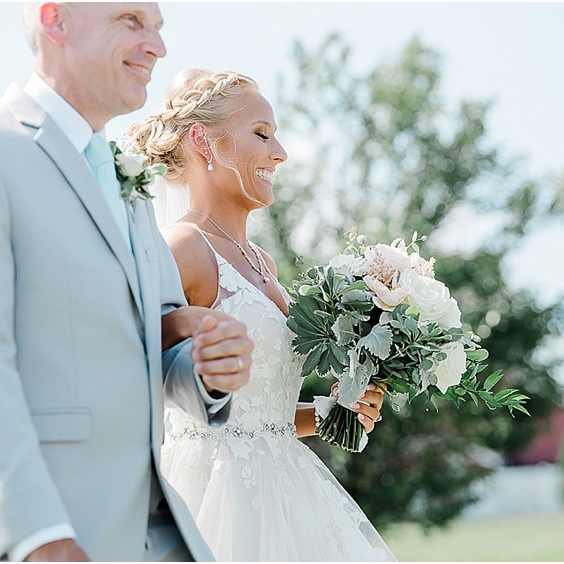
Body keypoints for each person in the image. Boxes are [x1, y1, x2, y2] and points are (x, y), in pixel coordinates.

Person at [0, 4, 253, 562]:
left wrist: (207, 368)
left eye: (158, 28)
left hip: (149, 531)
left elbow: (162, 341)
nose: (157, 47)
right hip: (40, 531)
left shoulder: (126, 179)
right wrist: (37, 535)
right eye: (132, 20)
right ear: (55, 20)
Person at [133, 69, 396, 561]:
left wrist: (331, 414)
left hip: (286, 490)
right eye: (262, 134)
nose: (281, 152)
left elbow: (259, 413)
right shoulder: (183, 248)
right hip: (216, 496)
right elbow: (154, 387)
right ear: (203, 141)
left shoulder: (262, 263)